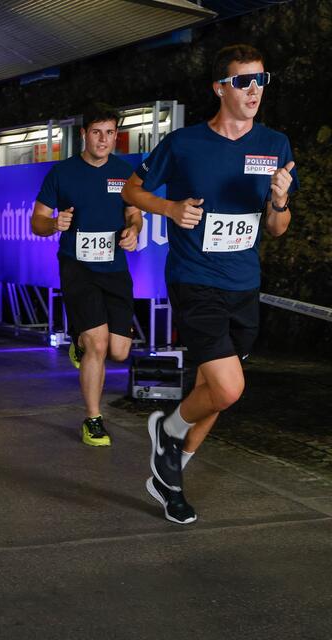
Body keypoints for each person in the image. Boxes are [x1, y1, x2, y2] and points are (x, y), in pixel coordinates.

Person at [122, 44, 298, 525]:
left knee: (213, 392)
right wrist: (171, 209)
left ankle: (169, 475)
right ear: (220, 88)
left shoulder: (276, 145)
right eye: (243, 82)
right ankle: (168, 429)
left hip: (244, 283)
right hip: (195, 279)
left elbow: (277, 229)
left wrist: (279, 204)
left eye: (261, 80)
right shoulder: (184, 145)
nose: (254, 90)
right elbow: (132, 189)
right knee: (229, 387)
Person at [31, 104, 142, 447]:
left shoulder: (125, 172)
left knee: (120, 351)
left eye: (110, 133)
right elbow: (37, 221)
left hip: (114, 268)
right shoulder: (62, 173)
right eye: (97, 132)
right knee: (98, 344)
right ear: (83, 134)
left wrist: (134, 230)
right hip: (77, 266)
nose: (104, 139)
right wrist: (53, 224)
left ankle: (78, 335)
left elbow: (135, 214)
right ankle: (93, 419)